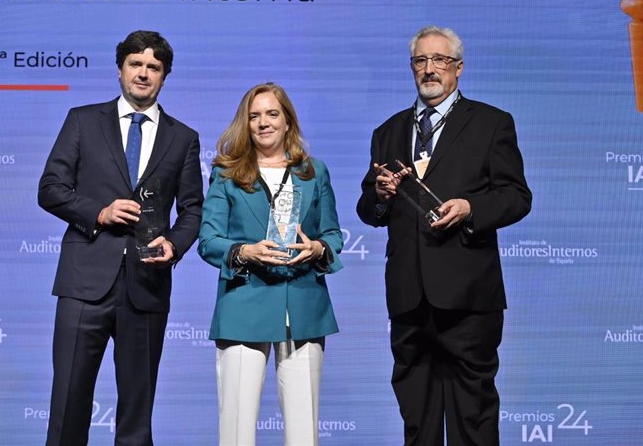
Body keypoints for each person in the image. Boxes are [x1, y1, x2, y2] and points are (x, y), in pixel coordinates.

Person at [357, 26, 532, 445]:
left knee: (473, 418)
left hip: (469, 296)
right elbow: (369, 210)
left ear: (458, 69)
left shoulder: (491, 123)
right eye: (421, 61)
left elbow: (516, 197)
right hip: (408, 296)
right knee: (417, 420)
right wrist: (380, 196)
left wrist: (471, 207)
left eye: (439, 60)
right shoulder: (388, 131)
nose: (429, 69)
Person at [38, 30, 203, 446]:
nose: (143, 74)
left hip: (146, 285)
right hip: (83, 283)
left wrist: (176, 244)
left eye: (153, 67)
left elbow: (192, 209)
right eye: (136, 64)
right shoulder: (82, 119)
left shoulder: (183, 137)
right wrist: (99, 212)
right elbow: (51, 189)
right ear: (120, 70)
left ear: (164, 76)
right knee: (68, 405)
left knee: (136, 413)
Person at [199, 82, 343, 446]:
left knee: (304, 432)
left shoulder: (314, 172)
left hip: (304, 306)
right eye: (254, 116)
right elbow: (209, 240)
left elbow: (333, 234)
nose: (263, 122)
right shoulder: (227, 173)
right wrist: (244, 252)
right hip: (244, 303)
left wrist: (318, 249)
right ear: (245, 124)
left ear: (287, 121)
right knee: (236, 431)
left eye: (272, 114)